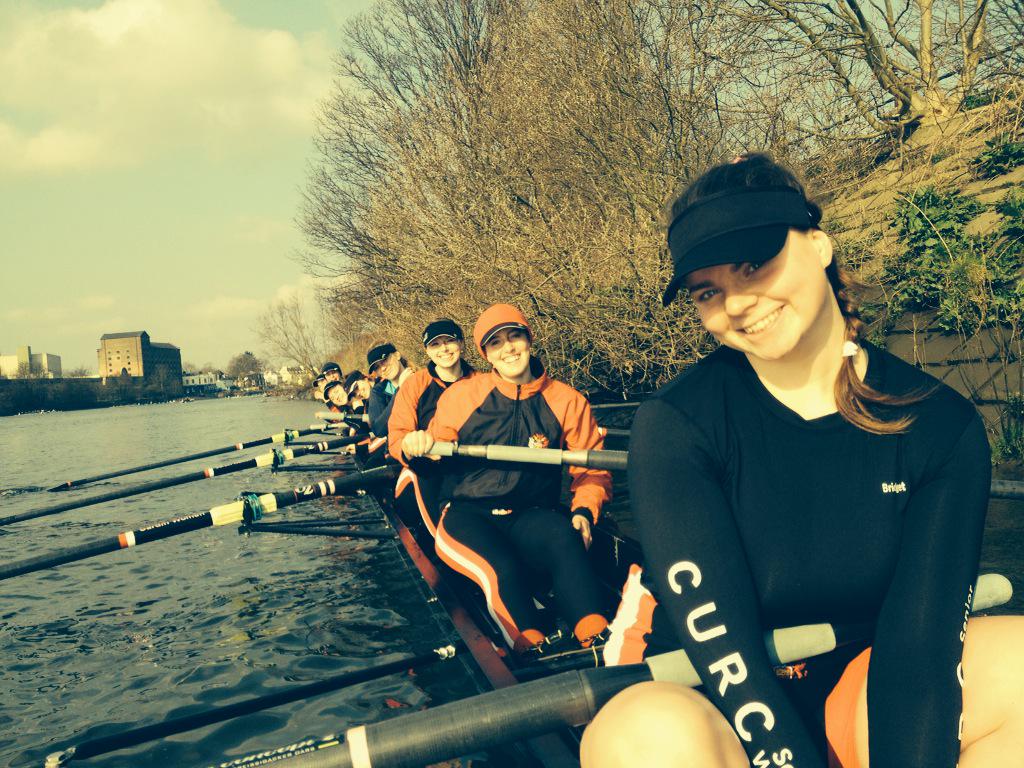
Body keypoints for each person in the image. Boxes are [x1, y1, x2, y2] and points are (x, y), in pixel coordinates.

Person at [582, 153, 1023, 768]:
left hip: (864, 681)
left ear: (819, 244)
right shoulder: (676, 425)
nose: (737, 303)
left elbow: (921, 649)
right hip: (706, 693)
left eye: (753, 264)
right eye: (709, 291)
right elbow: (728, 658)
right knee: (642, 735)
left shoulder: (940, 426)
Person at [402, 304, 612, 653]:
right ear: (486, 354)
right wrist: (417, 447)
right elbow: (432, 456)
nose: (509, 348)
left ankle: (596, 634)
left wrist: (584, 512)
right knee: (502, 569)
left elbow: (592, 471)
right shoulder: (462, 396)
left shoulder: (568, 401)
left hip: (530, 513)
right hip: (467, 515)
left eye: (515, 336)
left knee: (566, 539)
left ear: (529, 339)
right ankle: (529, 645)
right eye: (496, 343)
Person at [388, 318, 476, 536]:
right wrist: (409, 446)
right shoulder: (415, 384)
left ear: (461, 344)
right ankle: (436, 540)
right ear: (427, 351)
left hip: (470, 466)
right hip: (426, 466)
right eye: (435, 344)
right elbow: (397, 435)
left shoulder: (481, 382)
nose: (443, 349)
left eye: (449, 341)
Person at [366, 343, 412, 437]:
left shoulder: (422, 378)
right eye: (377, 367)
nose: (383, 368)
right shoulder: (378, 392)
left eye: (384, 360)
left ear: (397, 355)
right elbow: (379, 430)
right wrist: (399, 391)